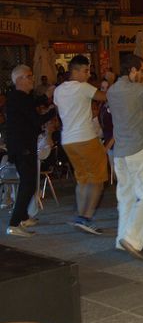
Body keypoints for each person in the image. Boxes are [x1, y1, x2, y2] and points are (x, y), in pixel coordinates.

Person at [106, 54, 143, 259]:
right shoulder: (138, 89)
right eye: (141, 70)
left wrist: (142, 83)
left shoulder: (112, 90)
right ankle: (133, 239)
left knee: (126, 199)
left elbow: (131, 96)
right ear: (133, 70)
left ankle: (122, 238)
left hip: (120, 153)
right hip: (139, 149)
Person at [53, 55, 107, 235]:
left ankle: (80, 216)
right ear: (74, 71)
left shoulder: (58, 90)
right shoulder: (83, 87)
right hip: (86, 138)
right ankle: (86, 217)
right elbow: (104, 97)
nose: (88, 74)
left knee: (83, 179)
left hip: (68, 140)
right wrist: (109, 83)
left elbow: (60, 111)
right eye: (85, 71)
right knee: (98, 180)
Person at [5, 65, 56, 236]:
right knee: (28, 184)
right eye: (29, 76)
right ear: (19, 79)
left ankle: (23, 217)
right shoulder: (19, 98)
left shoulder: (18, 97)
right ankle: (14, 224)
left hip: (22, 145)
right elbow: (37, 120)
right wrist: (54, 111)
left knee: (28, 183)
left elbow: (31, 105)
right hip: (23, 146)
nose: (32, 79)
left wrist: (45, 97)